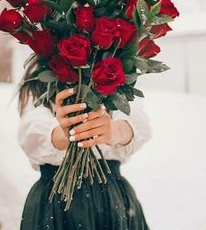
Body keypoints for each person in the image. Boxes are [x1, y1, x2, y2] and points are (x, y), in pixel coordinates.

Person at [17, 61, 153, 230]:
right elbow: (32, 128)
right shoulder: (42, 74)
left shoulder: (114, 67)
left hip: (110, 200)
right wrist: (64, 132)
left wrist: (112, 131)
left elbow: (135, 120)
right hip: (56, 201)